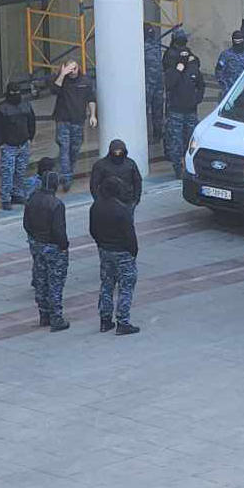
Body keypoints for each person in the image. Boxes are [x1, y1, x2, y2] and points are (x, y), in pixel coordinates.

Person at [90, 176, 141, 334]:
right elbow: (130, 236)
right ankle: (123, 322)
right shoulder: (122, 210)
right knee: (125, 287)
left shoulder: (96, 207)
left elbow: (93, 230)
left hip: (105, 251)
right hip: (122, 252)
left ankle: (105, 320)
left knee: (107, 284)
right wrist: (133, 252)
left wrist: (101, 244)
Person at [23, 168, 70, 332]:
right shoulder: (56, 204)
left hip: (37, 244)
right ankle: (56, 318)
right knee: (55, 283)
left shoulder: (32, 199)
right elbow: (59, 230)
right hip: (53, 247)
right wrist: (64, 245)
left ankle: (44, 315)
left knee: (41, 280)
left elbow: (26, 223)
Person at [48, 59, 97, 191]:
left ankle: (65, 172)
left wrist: (92, 115)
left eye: (74, 68)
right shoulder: (60, 80)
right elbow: (54, 90)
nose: (72, 71)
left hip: (78, 121)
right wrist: (62, 74)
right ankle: (66, 178)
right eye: (70, 68)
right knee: (64, 148)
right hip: (63, 120)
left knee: (74, 150)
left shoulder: (85, 81)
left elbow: (91, 99)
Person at [0, 80, 36, 210]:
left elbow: (31, 122)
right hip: (9, 146)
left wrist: (29, 138)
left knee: (20, 171)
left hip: (23, 144)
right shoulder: (1, 108)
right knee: (8, 173)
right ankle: (6, 198)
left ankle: (17, 194)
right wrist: (0, 143)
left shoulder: (26, 105)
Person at [163, 50, 204, 180]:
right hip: (176, 112)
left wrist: (196, 99)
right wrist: (178, 70)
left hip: (191, 112)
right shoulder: (173, 71)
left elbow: (201, 86)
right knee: (176, 143)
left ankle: (190, 166)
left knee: (191, 141)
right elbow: (168, 84)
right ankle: (178, 168)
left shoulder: (194, 71)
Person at [89, 138, 144, 207]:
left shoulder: (130, 164)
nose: (117, 154)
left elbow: (137, 182)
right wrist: (99, 201)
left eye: (120, 151)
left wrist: (135, 200)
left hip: (127, 201)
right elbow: (94, 185)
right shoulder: (100, 165)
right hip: (107, 202)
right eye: (115, 151)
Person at [215, 29, 244, 98]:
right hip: (230, 90)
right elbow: (218, 71)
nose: (238, 43)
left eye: (240, 40)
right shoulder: (226, 55)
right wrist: (225, 86)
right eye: (236, 41)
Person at [144, 27, 166, 145]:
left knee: (144, 110)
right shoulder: (157, 46)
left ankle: (143, 133)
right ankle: (157, 134)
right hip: (158, 83)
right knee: (158, 110)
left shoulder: (142, 47)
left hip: (147, 83)